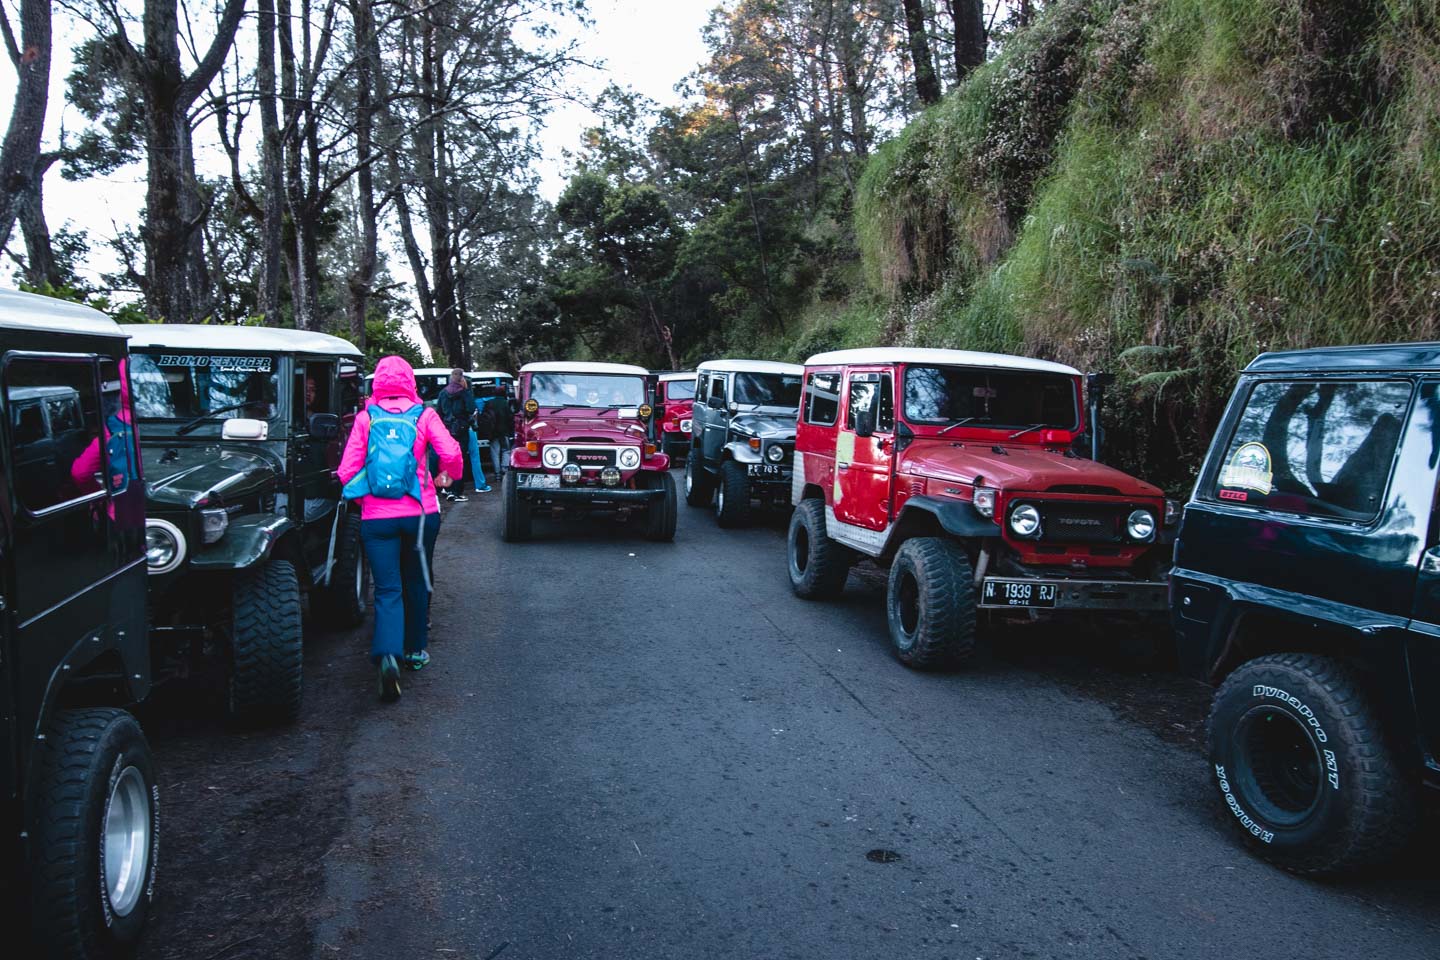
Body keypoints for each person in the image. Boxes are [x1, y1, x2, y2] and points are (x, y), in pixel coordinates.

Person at [338, 355, 462, 702]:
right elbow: (450, 452)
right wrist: (445, 477)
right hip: (421, 514)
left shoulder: (366, 418)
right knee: (417, 580)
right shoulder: (425, 415)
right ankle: (415, 650)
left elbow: (347, 471)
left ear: (377, 381)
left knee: (387, 589)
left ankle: (388, 654)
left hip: (377, 519)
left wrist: (370, 503)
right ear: (410, 381)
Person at [436, 369, 472, 502]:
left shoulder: (443, 393)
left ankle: (447, 488)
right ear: (461, 378)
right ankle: (457, 491)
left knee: (446, 459)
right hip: (461, 429)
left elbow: (439, 412)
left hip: (447, 429)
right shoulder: (465, 393)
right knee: (460, 459)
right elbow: (470, 408)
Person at [465, 383, 493, 494]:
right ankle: (480, 484)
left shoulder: (445, 394)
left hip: (453, 430)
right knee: (475, 457)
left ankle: (449, 487)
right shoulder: (467, 396)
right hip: (469, 429)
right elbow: (473, 413)